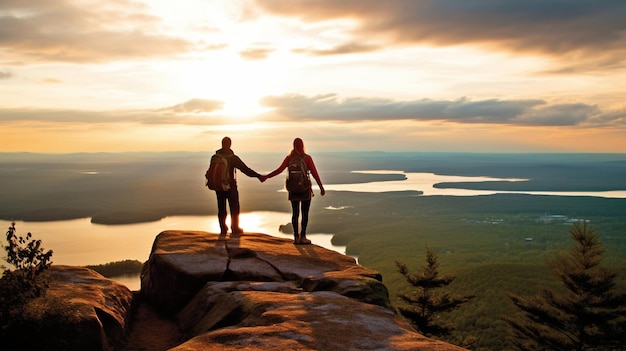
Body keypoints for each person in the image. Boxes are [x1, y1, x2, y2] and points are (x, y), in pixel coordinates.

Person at [261, 138, 325, 244]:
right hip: (305, 189)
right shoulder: (307, 158)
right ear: (302, 145)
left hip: (293, 190)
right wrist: (321, 187)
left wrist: (267, 176)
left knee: (295, 213)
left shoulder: (289, 158)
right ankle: (303, 237)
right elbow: (314, 173)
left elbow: (279, 170)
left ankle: (296, 237)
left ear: (293, 146)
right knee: (305, 213)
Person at [213, 136, 262, 235]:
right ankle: (235, 228)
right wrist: (258, 176)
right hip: (231, 185)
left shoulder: (216, 157)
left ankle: (223, 228)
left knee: (221, 207)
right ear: (230, 144)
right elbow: (246, 170)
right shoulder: (233, 158)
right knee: (234, 207)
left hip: (219, 186)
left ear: (222, 144)